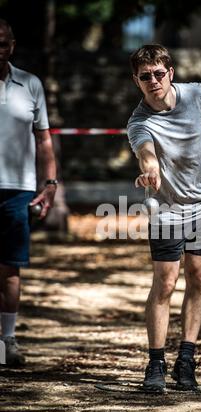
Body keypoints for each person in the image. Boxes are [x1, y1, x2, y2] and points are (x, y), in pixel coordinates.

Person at [127, 44, 201, 393]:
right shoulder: (139, 121)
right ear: (136, 81)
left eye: (158, 73)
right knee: (166, 282)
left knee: (198, 275)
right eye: (145, 76)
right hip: (167, 209)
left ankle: (187, 358)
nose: (153, 80)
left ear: (170, 72)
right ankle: (155, 363)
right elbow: (146, 153)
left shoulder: (196, 95)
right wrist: (150, 171)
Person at [0, 19, 57, 366]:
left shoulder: (31, 84)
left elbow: (44, 139)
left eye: (3, 43)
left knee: (10, 269)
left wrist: (49, 184)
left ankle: (7, 341)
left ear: (13, 45)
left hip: (18, 191)